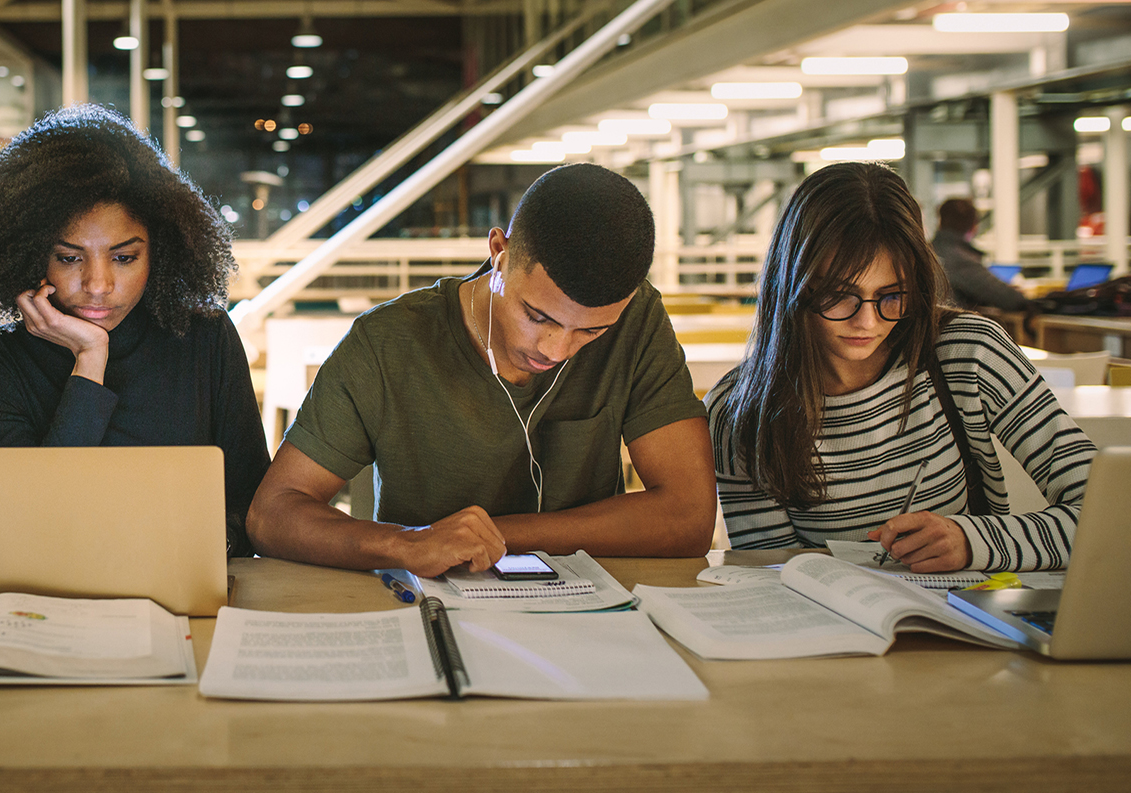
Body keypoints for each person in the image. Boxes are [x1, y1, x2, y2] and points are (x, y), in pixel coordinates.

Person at [247, 163, 716, 577]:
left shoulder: (638, 319)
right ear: (499, 252)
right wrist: (408, 543)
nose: (556, 349)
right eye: (537, 316)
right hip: (428, 610)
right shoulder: (387, 343)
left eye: (591, 332)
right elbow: (272, 515)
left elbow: (690, 517)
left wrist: (495, 536)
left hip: (591, 615)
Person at [705, 163, 1095, 573]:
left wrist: (974, 541)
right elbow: (772, 572)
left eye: (892, 296)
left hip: (976, 627)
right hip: (833, 630)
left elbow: (1107, 513)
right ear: (794, 286)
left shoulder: (969, 353)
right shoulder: (741, 410)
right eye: (841, 296)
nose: (868, 322)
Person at [0, 104, 269, 557]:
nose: (98, 285)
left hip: (185, 585)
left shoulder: (203, 338)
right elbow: (30, 522)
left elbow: (255, 507)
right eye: (70, 258)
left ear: (161, 252)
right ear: (30, 255)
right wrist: (90, 359)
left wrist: (204, 548)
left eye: (124, 257)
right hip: (54, 596)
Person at [931, 197, 1029, 312]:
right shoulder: (960, 260)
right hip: (951, 327)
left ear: (940, 222)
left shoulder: (928, 251)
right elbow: (1007, 298)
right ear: (974, 226)